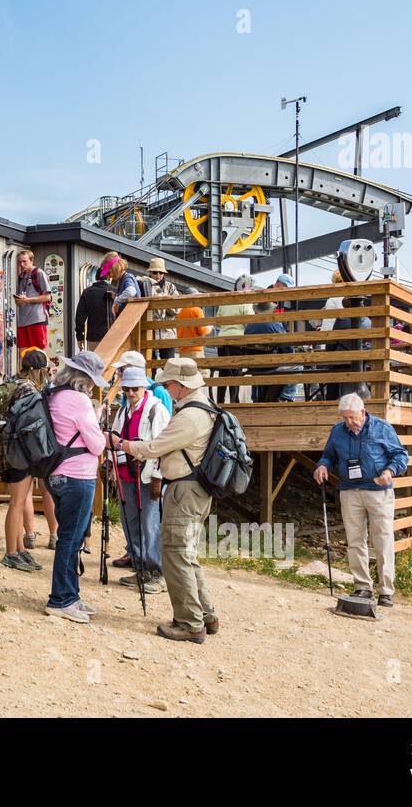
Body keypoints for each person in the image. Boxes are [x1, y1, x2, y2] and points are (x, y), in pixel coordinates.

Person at [114, 357, 219, 643]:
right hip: (194, 488)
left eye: (169, 383)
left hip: (185, 490)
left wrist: (122, 445)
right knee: (187, 553)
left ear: (181, 385)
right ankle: (205, 614)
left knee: (175, 554)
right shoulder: (202, 408)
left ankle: (189, 622)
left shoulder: (189, 416)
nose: (166, 388)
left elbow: (154, 447)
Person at [313, 393, 409, 606]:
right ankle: (362, 587)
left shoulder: (382, 428)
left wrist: (390, 471)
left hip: (378, 490)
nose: (349, 422)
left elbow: (400, 455)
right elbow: (328, 455)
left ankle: (386, 590)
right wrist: (322, 465)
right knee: (355, 540)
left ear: (363, 412)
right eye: (345, 418)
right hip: (349, 490)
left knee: (382, 539)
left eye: (352, 418)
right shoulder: (338, 431)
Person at [43, 351, 110, 623]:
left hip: (55, 474)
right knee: (71, 539)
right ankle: (60, 599)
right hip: (78, 476)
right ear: (86, 379)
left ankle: (71, 595)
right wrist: (96, 418)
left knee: (69, 536)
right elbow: (96, 444)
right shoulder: (80, 400)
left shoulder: (53, 394)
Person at [108, 365, 169, 593]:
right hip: (126, 473)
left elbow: (162, 446)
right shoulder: (125, 411)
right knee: (130, 520)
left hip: (147, 474)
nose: (131, 393)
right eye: (127, 389)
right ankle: (141, 566)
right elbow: (115, 438)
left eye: (134, 388)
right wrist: (109, 461)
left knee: (150, 523)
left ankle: (157, 572)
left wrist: (157, 478)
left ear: (143, 386)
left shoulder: (156, 410)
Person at [0, 348, 54, 572]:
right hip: (20, 452)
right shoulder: (28, 389)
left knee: (19, 502)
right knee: (17, 503)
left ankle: (20, 549)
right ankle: (11, 553)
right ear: (39, 370)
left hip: (12, 450)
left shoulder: (15, 383)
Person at [213, 274, 255, 404]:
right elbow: (250, 320)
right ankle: (234, 401)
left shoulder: (226, 300)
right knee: (235, 372)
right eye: (250, 287)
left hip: (221, 341)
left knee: (223, 372)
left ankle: (219, 401)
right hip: (237, 341)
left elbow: (218, 321)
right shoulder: (245, 301)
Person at [13, 250, 53, 352]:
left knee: (38, 352)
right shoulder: (21, 277)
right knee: (23, 353)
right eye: (19, 262)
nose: (22, 264)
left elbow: (47, 297)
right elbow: (19, 302)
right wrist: (18, 300)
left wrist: (28, 300)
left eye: (24, 261)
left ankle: (42, 369)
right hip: (22, 321)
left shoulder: (39, 273)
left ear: (31, 260)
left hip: (37, 319)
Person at [111, 349, 173, 413]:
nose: (118, 373)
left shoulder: (159, 392)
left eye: (120, 369)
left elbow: (167, 421)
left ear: (134, 369)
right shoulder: (127, 391)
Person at [74, 257, 116, 350]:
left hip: (93, 337)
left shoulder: (87, 292)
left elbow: (80, 317)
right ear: (109, 277)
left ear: (96, 277)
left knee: (94, 363)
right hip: (112, 336)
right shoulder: (115, 291)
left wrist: (79, 337)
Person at [175, 289, 212, 360]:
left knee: (185, 370)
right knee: (201, 370)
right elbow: (201, 331)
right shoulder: (197, 310)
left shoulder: (179, 312)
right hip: (195, 348)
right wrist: (209, 328)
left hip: (182, 349)